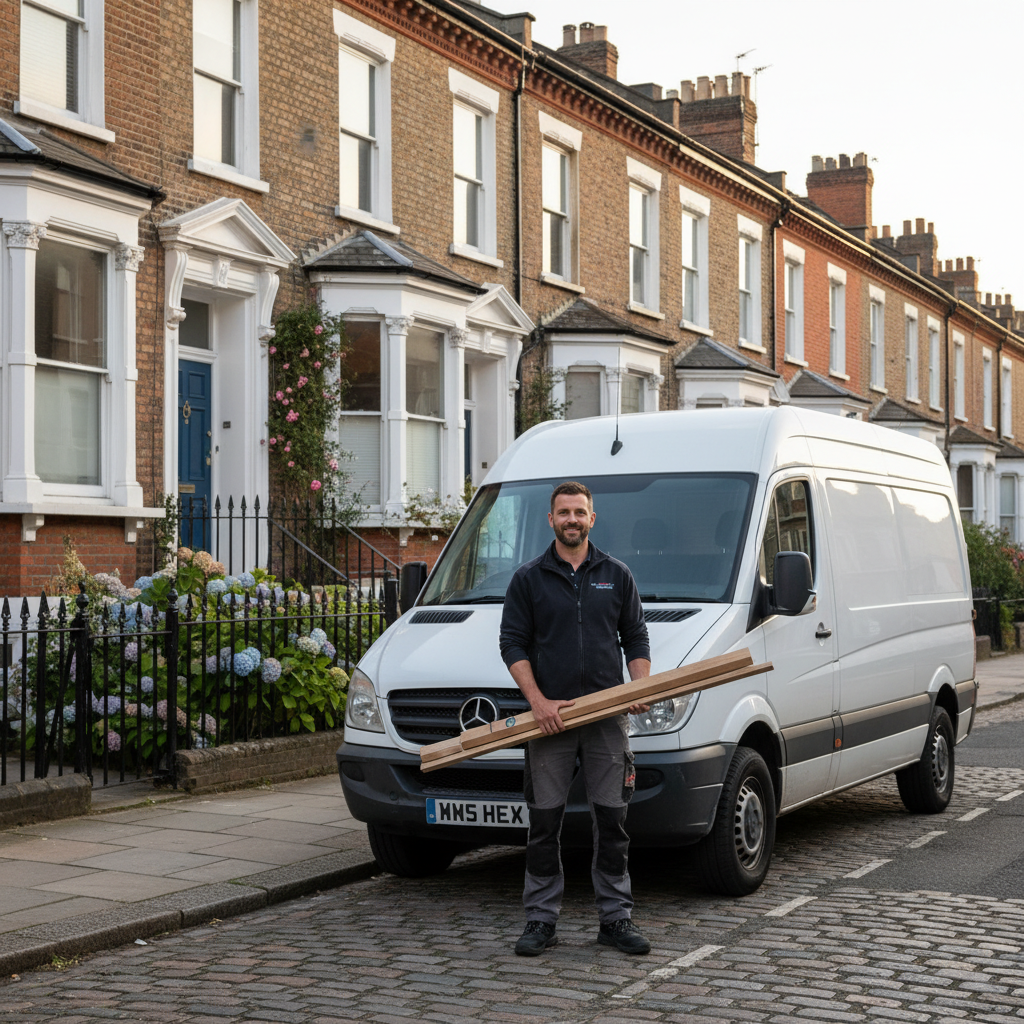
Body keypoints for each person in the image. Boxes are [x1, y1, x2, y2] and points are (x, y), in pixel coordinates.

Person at [499, 481, 652, 956]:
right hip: (551, 722)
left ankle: (615, 919)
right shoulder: (528, 578)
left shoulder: (616, 573)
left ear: (591, 518)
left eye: (579, 512)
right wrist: (539, 702)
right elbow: (512, 644)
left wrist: (640, 685)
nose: (572, 519)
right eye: (563, 512)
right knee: (544, 824)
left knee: (613, 821)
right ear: (551, 520)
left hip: (606, 718)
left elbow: (636, 637)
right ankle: (541, 920)